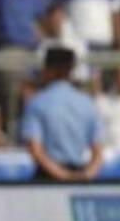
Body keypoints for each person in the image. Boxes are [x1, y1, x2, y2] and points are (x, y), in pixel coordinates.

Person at [21, 46, 105, 182]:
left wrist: (63, 176)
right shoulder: (87, 104)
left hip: (47, 177)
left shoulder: (37, 103)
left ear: (49, 70)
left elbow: (35, 150)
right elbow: (98, 151)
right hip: (79, 172)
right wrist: (86, 175)